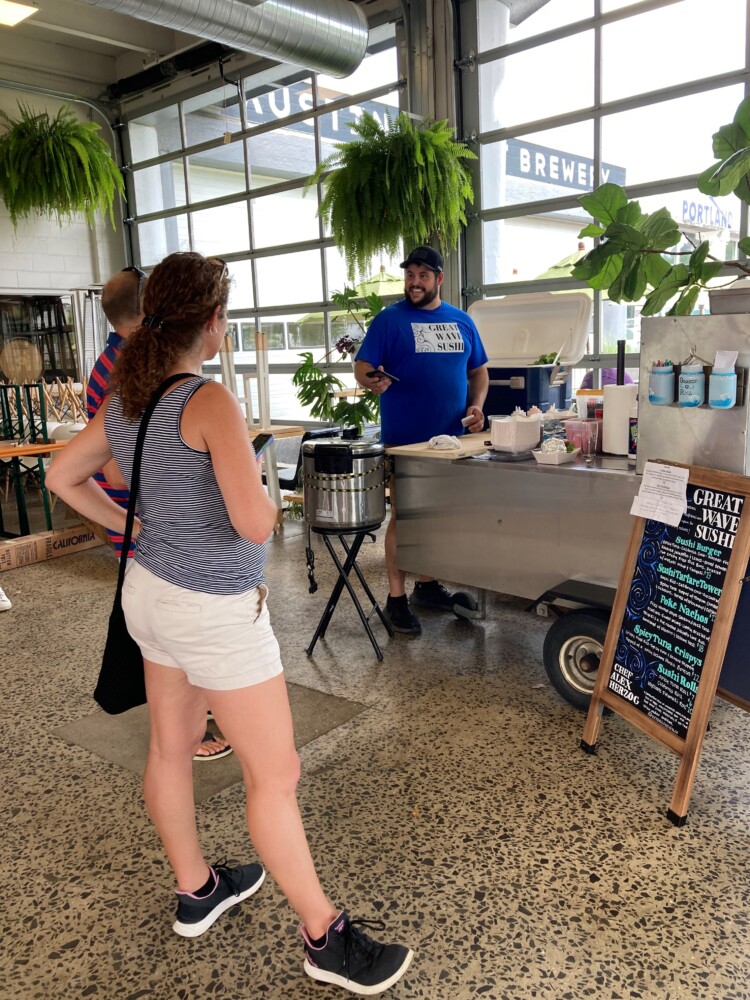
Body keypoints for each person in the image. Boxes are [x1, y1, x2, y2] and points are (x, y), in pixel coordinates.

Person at [47, 251, 413, 995]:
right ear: (212, 322)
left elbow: (62, 476)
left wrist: (133, 525)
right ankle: (324, 937)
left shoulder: (126, 395)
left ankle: (198, 888)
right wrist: (253, 478)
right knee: (275, 776)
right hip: (213, 610)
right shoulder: (208, 401)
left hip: (148, 596)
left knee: (170, 750)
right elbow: (253, 521)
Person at [87, 266, 231, 763]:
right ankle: (203, 717)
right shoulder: (135, 370)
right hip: (159, 529)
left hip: (150, 532)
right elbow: (112, 465)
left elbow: (78, 467)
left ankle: (192, 719)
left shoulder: (118, 363)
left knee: (167, 738)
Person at [354, 245, 489, 635]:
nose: (415, 282)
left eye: (423, 275)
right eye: (410, 275)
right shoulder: (389, 321)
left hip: (454, 442)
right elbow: (362, 366)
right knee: (407, 518)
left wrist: (477, 405)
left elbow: (479, 371)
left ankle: (427, 586)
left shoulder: (461, 321)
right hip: (407, 443)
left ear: (439, 279)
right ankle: (396, 598)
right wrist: (370, 379)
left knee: (440, 517)